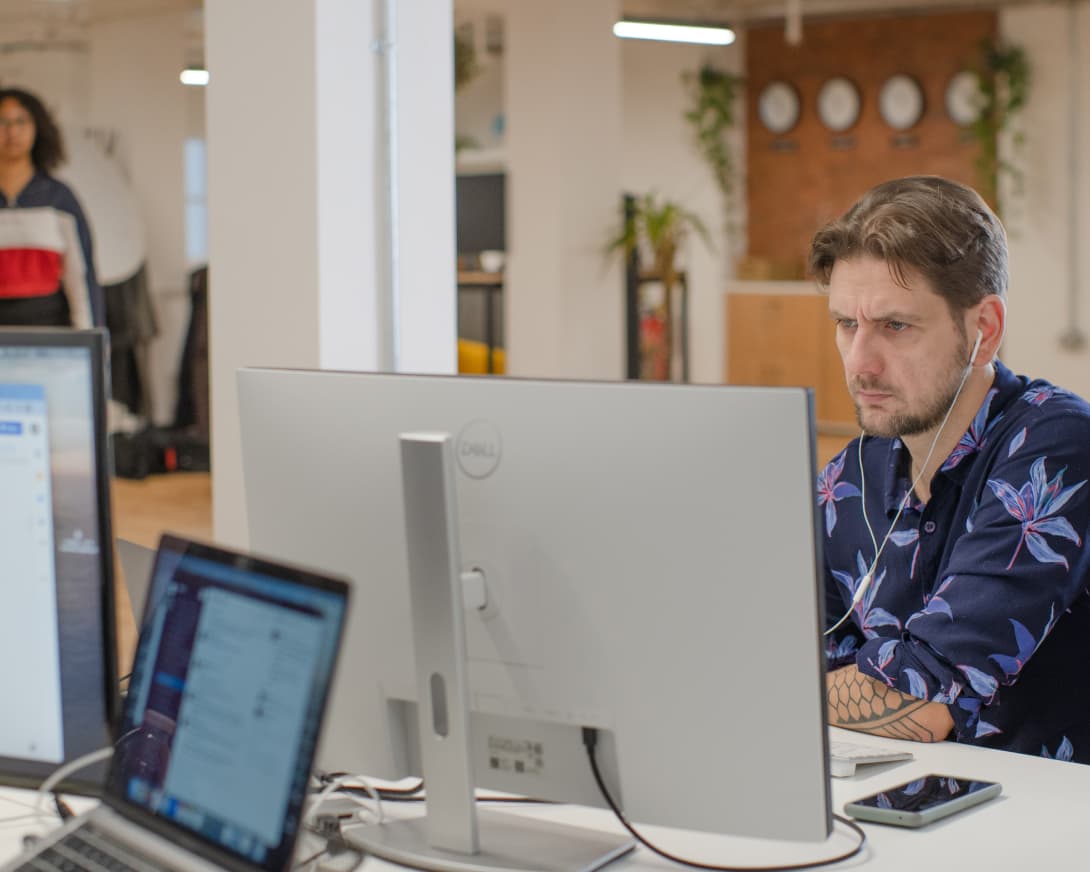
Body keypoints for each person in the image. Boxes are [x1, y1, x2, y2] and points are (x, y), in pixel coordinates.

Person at [812, 175, 1090, 764]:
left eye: (895, 326)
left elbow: (926, 697)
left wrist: (768, 695)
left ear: (984, 330)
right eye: (847, 324)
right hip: (902, 798)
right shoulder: (849, 477)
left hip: (1047, 809)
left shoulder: (1058, 445)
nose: (860, 363)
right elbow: (794, 653)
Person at [0, 87, 103, 327]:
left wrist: (89, 339)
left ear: (37, 128)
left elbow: (80, 276)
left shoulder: (58, 197)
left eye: (21, 121)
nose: (12, 132)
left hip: (48, 328)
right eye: (3, 122)